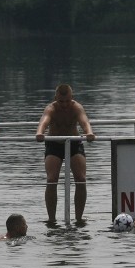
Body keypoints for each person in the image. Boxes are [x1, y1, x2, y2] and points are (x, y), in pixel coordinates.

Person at [35, 84, 95, 223]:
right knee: (51, 180)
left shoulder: (76, 107)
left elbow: (84, 121)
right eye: (61, 101)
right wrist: (39, 133)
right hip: (54, 144)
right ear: (56, 98)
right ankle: (51, 219)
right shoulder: (51, 108)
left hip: (74, 143)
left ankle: (79, 218)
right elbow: (44, 121)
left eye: (67, 101)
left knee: (81, 179)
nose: (64, 104)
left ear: (72, 98)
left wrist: (89, 133)